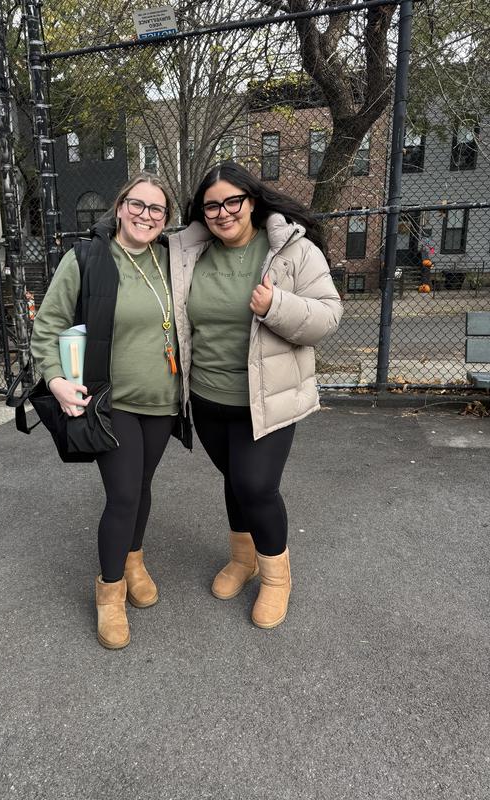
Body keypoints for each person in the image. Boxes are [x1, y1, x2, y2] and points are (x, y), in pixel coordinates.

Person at [169, 161, 342, 629]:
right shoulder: (189, 252)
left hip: (266, 398)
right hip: (207, 398)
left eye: (232, 201)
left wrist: (275, 305)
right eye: (211, 206)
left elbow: (328, 316)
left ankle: (275, 577)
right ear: (201, 212)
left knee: (255, 486)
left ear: (251, 200)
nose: (223, 213)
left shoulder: (290, 249)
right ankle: (242, 559)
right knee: (233, 479)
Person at [31, 174, 183, 650]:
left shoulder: (173, 259)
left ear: (166, 219)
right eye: (137, 204)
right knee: (122, 495)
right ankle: (110, 593)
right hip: (109, 402)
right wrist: (55, 379)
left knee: (142, 485)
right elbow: (48, 325)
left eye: (156, 209)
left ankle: (134, 561)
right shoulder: (86, 258)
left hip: (162, 400)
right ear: (119, 208)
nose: (145, 215)